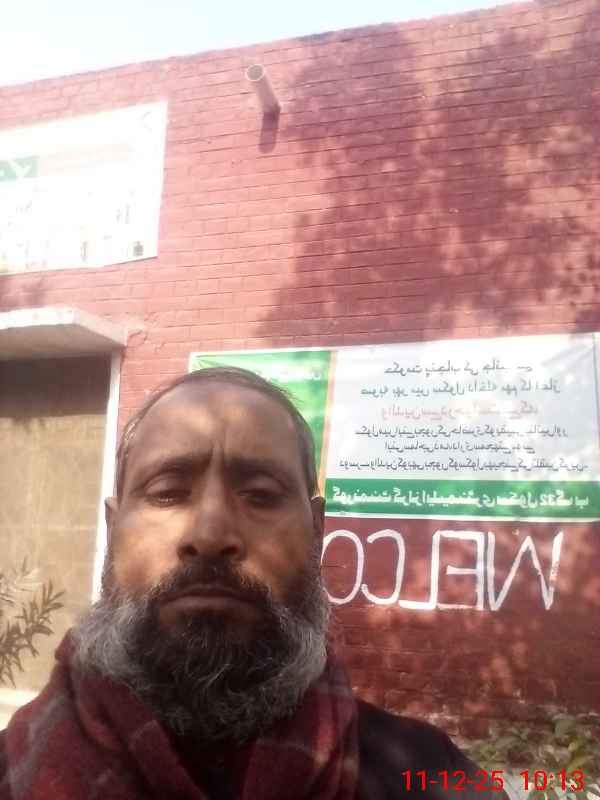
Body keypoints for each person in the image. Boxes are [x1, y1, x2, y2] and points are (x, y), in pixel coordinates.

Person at [0, 367, 498, 800]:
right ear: (113, 531)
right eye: (167, 492)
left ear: (317, 531)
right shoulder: (11, 768)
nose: (210, 535)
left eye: (260, 494)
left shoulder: (431, 775)